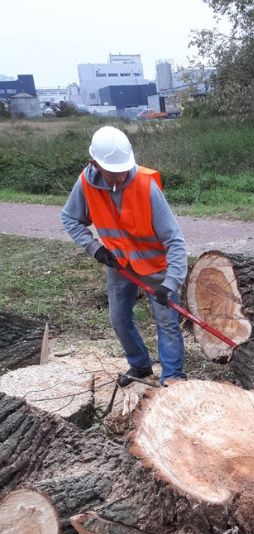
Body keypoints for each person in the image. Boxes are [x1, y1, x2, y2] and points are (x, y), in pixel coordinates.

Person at [61, 125, 187, 385]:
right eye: (113, 173)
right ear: (95, 163)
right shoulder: (86, 183)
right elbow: (70, 218)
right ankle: (140, 365)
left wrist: (170, 283)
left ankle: (173, 378)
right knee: (118, 318)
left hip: (156, 267)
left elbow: (175, 240)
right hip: (119, 263)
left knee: (167, 323)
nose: (119, 178)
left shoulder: (146, 187)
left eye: (122, 171)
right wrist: (95, 249)